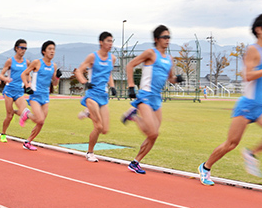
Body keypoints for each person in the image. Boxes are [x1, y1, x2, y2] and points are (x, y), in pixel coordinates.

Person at [198, 13, 262, 186]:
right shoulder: (253, 49)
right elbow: (247, 75)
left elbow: (257, 79)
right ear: (259, 30)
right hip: (247, 105)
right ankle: (206, 167)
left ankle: (251, 153)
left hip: (261, 106)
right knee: (231, 143)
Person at [120, 25, 184, 174]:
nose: (167, 40)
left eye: (169, 37)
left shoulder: (169, 59)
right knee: (153, 133)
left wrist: (177, 79)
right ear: (156, 39)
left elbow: (170, 78)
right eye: (164, 37)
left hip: (157, 99)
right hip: (145, 96)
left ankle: (135, 162)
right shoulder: (150, 53)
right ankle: (134, 117)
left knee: (154, 136)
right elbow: (130, 65)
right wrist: (131, 86)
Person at [74, 31, 117, 162]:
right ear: (101, 42)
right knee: (98, 126)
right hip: (92, 95)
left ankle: (88, 114)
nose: (110, 44)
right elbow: (79, 71)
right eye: (108, 41)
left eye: (112, 41)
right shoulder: (92, 57)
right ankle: (90, 152)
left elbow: (109, 73)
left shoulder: (113, 58)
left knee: (104, 130)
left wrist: (113, 86)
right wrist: (85, 83)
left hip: (103, 96)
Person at [19, 40, 62, 151]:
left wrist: (57, 77)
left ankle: (28, 142)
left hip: (45, 96)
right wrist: (27, 86)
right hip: (35, 95)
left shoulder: (54, 65)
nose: (52, 51)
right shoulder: (37, 62)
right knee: (40, 119)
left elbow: (55, 84)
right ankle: (27, 114)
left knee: (41, 123)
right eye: (50, 49)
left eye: (53, 49)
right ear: (44, 51)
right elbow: (24, 74)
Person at [0, 39, 31, 143]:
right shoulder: (10, 61)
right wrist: (5, 79)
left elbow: (28, 74)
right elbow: (1, 74)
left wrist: (29, 82)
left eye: (25, 48)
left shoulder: (27, 62)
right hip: (9, 90)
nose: (23, 50)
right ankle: (3, 134)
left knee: (25, 112)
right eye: (22, 48)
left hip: (19, 91)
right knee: (9, 116)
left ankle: (12, 111)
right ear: (16, 48)